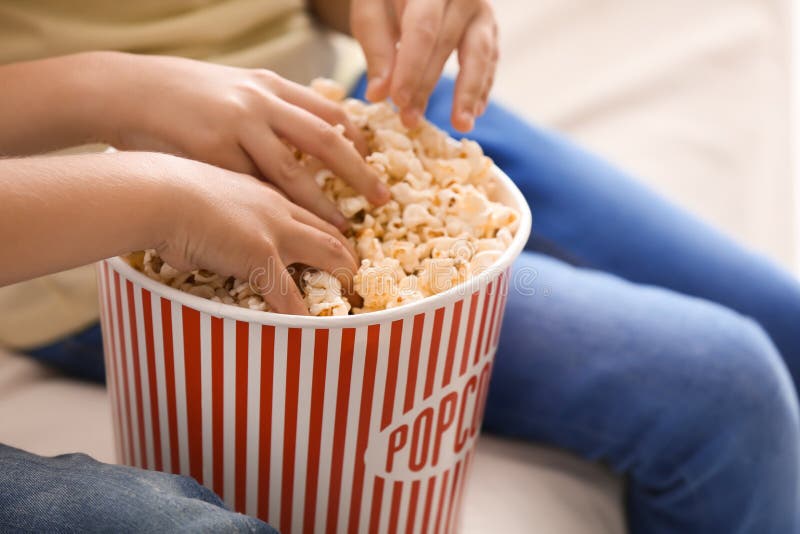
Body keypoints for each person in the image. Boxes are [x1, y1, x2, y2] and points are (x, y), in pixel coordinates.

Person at [1, 1, 799, 532]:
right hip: (83, 193)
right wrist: (108, 87)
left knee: (782, 325)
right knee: (726, 387)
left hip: (327, 99)